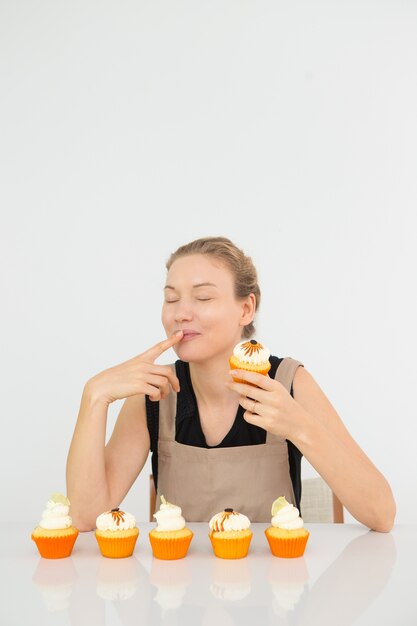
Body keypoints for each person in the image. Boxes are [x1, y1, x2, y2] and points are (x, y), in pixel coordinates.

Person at [66, 236, 396, 532]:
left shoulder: (289, 383)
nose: (180, 313)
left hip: (278, 594)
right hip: (178, 592)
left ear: (246, 308)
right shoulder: (154, 393)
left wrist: (299, 427)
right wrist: (94, 397)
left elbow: (381, 515)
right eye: (171, 299)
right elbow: (86, 517)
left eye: (203, 298)